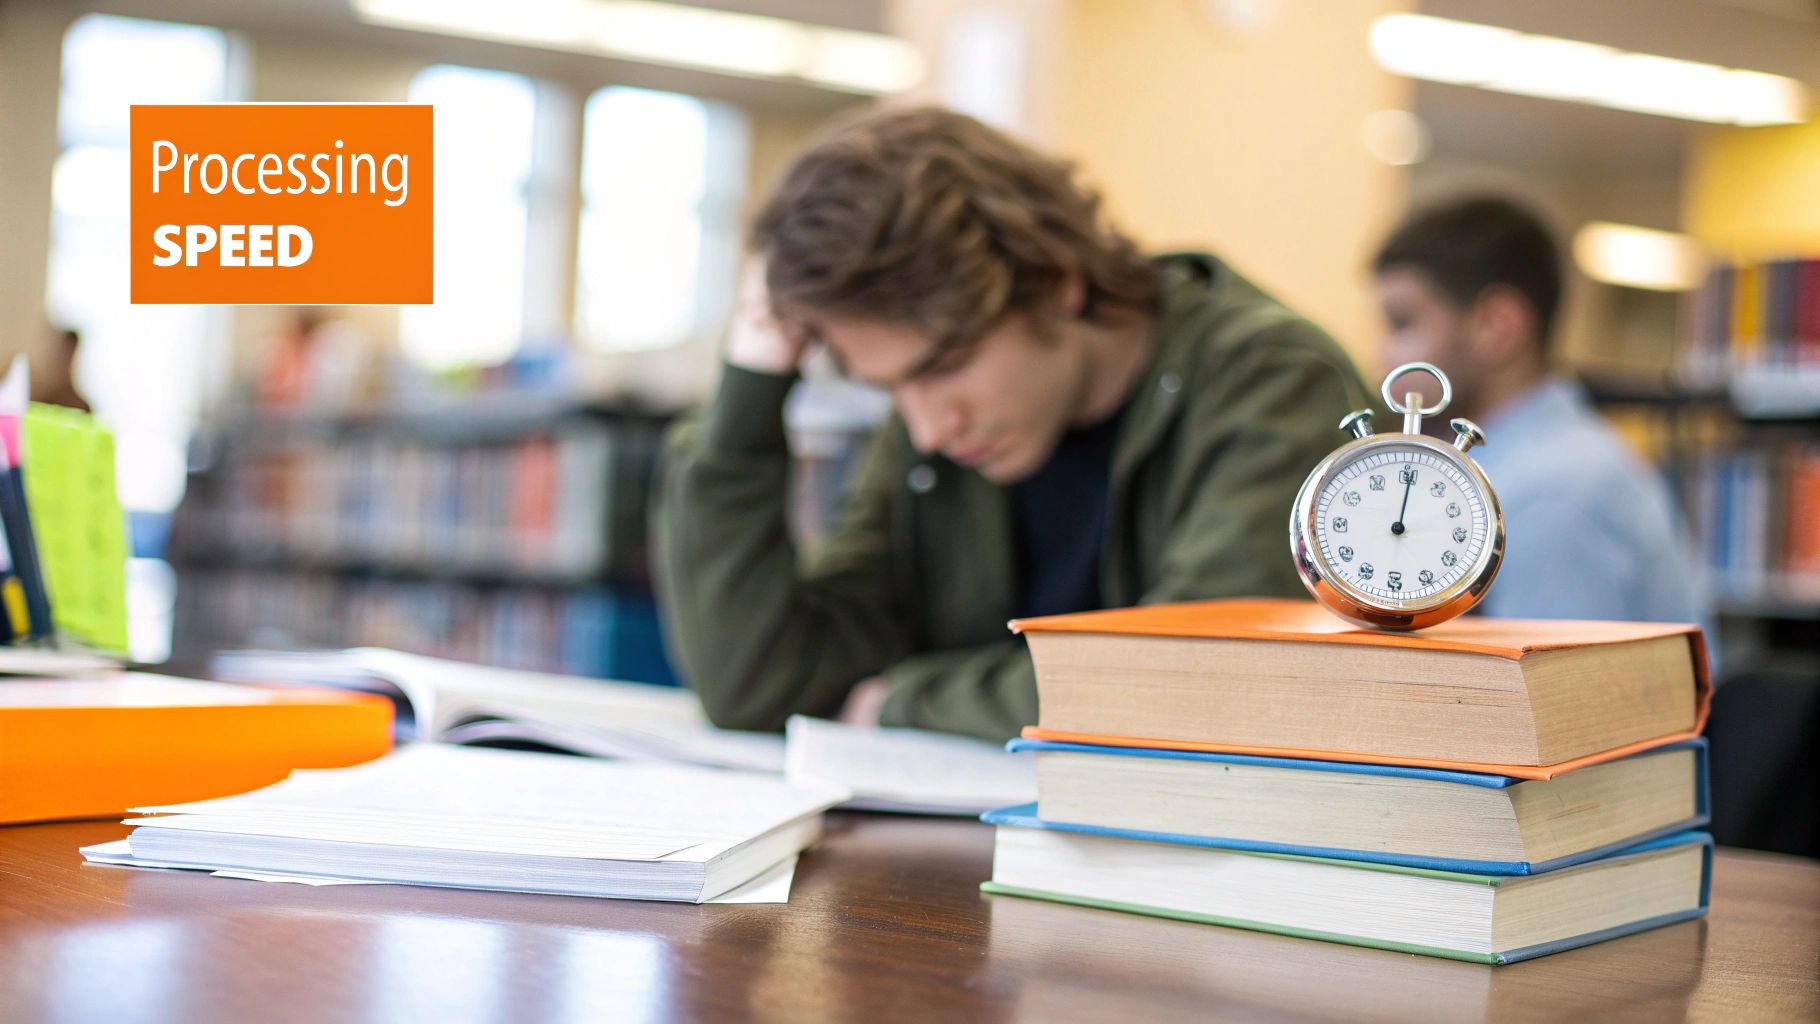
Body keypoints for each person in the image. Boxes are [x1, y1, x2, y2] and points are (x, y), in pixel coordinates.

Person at [653, 106, 1367, 741]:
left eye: (945, 366)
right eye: (892, 387)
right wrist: (752, 384)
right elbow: (759, 687)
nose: (928, 427)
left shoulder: (1274, 382)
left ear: (1057, 280)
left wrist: (907, 702)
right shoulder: (934, 429)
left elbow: (1190, 679)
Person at [1372, 195, 1708, 627]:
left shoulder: (1554, 493)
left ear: (1497, 326)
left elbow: (1554, 690)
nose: (1383, 357)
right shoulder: (1518, 466)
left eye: (1401, 324)